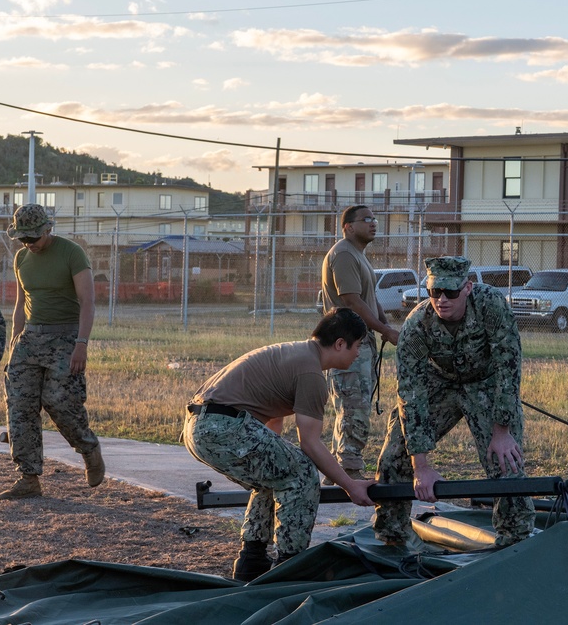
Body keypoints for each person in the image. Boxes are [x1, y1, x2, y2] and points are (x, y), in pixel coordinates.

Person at [182, 307, 377, 582]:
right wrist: (351, 485)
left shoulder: (295, 354)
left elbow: (271, 425)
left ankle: (251, 562)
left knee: (274, 476)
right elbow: (310, 444)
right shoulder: (311, 374)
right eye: (358, 345)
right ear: (340, 344)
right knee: (302, 473)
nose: (358, 353)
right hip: (221, 427)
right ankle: (290, 566)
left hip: (198, 428)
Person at [373, 255, 535, 547]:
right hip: (439, 383)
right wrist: (421, 465)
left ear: (468, 288)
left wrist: (501, 432)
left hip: (485, 382)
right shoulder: (416, 327)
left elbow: (508, 369)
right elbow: (411, 394)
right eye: (435, 292)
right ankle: (393, 537)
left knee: (505, 460)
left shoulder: (492, 306)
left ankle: (516, 537)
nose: (442, 299)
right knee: (394, 456)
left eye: (450, 292)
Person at [0, 204, 104, 501]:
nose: (29, 244)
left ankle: (88, 448)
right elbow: (22, 303)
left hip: (65, 336)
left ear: (48, 229)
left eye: (34, 238)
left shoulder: (72, 253)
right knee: (19, 406)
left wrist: (81, 343)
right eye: (23, 239)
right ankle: (28, 478)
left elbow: (87, 302)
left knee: (60, 402)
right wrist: (15, 342)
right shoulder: (21, 258)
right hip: (30, 338)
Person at [321, 205, 400, 481]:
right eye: (366, 219)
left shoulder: (358, 255)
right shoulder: (343, 254)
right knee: (353, 409)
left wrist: (385, 325)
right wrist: (383, 330)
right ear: (348, 227)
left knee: (353, 409)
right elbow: (352, 300)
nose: (373, 223)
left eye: (374, 218)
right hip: (346, 345)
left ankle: (336, 476)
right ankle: (350, 472)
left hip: (360, 343)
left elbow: (369, 298)